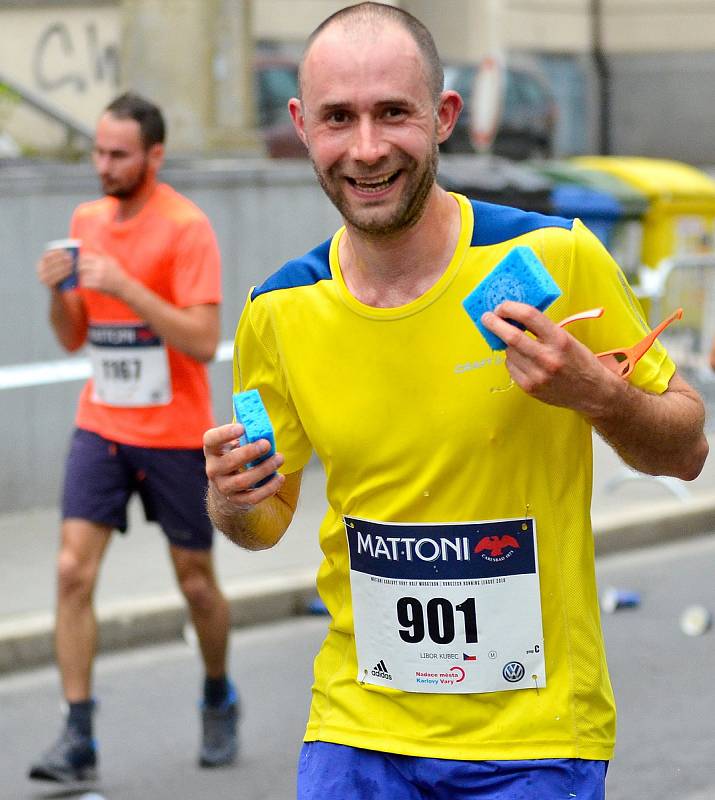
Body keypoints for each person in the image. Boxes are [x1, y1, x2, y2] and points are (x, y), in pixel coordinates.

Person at [203, 4, 708, 799]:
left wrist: (599, 397)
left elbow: (686, 450)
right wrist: (232, 498)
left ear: (442, 118)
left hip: (533, 739)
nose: (366, 149)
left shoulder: (552, 257)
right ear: (302, 126)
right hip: (357, 729)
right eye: (339, 118)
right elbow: (262, 526)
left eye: (392, 113)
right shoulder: (278, 308)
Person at [30, 92, 237, 784]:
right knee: (70, 572)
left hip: (175, 432)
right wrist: (60, 293)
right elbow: (73, 338)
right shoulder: (85, 220)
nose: (102, 166)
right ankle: (78, 734)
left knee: (196, 585)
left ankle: (217, 694)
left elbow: (203, 341)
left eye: (117, 155)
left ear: (154, 155)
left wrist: (126, 284)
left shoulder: (186, 228)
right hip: (103, 423)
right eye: (97, 152)